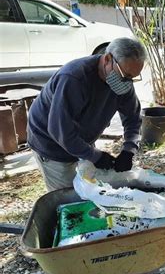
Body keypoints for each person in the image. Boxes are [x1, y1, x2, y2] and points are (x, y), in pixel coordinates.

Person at [27, 37, 146, 191]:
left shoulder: (123, 81)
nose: (127, 82)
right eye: (125, 75)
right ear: (108, 59)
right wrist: (95, 156)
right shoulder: (74, 78)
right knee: (68, 198)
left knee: (91, 188)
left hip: (79, 137)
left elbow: (133, 118)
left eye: (133, 77)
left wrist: (129, 150)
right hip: (51, 143)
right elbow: (60, 131)